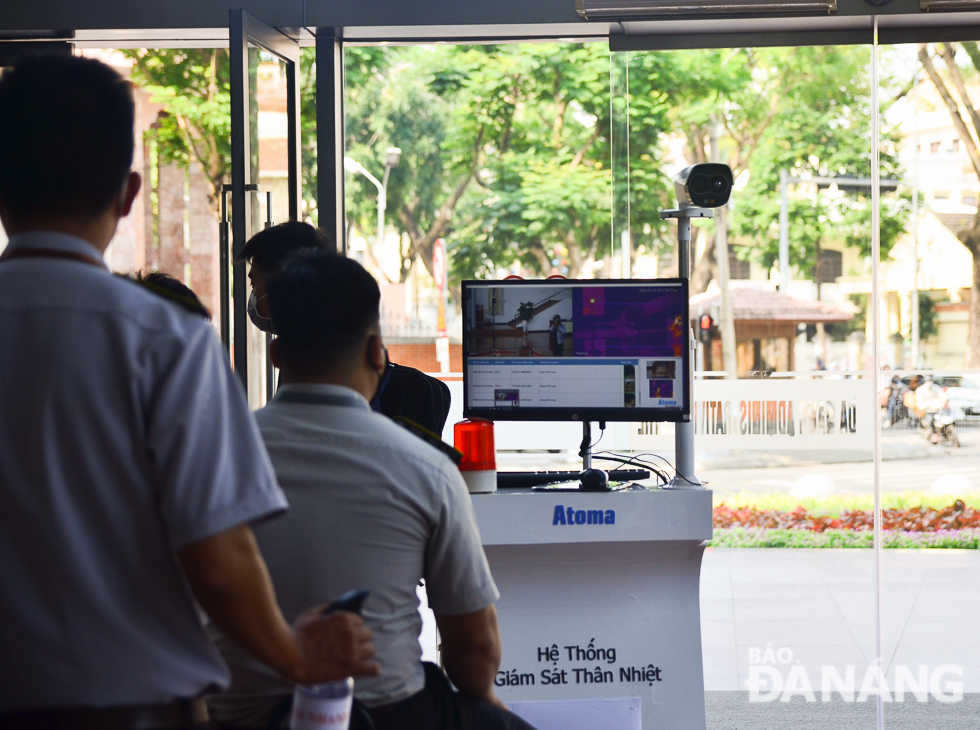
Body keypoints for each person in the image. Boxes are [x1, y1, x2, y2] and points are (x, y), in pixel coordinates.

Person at [0, 55, 378, 728]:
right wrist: (294, 654)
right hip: (128, 703)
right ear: (128, 193)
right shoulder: (163, 340)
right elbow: (220, 559)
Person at [209, 250, 536, 730]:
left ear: (277, 355)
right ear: (376, 351)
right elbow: (474, 648)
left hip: (242, 718)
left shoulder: (213, 456)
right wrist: (486, 702)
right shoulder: (425, 467)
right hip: (390, 715)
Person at [238, 221, 452, 434]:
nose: (253, 295)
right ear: (376, 351)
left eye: (254, 283)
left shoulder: (244, 443)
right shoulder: (423, 462)